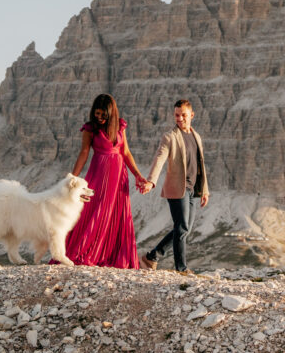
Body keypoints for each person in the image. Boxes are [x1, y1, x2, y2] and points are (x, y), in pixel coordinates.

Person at [60, 94, 148, 269]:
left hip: (119, 176)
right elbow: (84, 153)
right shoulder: (89, 128)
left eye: (103, 115)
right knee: (95, 211)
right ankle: (85, 251)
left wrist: (138, 175)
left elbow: (126, 153)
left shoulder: (120, 126)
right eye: (96, 114)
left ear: (111, 113)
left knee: (116, 213)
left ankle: (111, 255)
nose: (99, 118)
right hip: (99, 173)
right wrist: (72, 178)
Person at [139, 99, 209, 273]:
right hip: (177, 189)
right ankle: (181, 268)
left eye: (183, 115)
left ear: (191, 115)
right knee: (182, 227)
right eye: (177, 115)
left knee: (184, 228)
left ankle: (152, 256)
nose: (179, 119)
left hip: (193, 189)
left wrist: (205, 190)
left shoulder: (196, 136)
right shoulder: (169, 137)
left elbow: (201, 165)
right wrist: (151, 181)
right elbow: (160, 158)